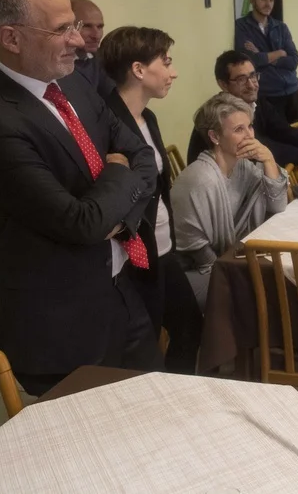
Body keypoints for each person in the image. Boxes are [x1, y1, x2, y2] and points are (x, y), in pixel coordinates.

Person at [0, 0, 161, 396]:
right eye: (62, 29)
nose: (80, 41)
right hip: (61, 324)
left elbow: (141, 156)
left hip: (122, 294)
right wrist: (117, 173)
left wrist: (116, 221)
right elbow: (80, 223)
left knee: (154, 420)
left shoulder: (72, 85)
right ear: (11, 38)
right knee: (90, 452)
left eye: (76, 26)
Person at [97, 26, 204, 374]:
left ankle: (180, 394)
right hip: (135, 254)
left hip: (163, 246)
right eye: (166, 62)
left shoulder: (148, 117)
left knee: (190, 327)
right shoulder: (106, 120)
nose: (172, 72)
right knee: (146, 348)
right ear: (139, 70)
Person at [172, 93, 289, 308]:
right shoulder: (199, 179)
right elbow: (197, 251)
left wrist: (269, 159)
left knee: (283, 278)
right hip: (194, 272)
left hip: (230, 258)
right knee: (266, 289)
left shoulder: (242, 166)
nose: (249, 136)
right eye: (238, 130)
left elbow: (277, 205)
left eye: (250, 127)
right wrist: (236, 268)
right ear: (215, 136)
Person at [186, 50, 298, 175]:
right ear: (223, 84)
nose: (252, 85)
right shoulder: (223, 117)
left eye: (253, 76)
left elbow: (290, 135)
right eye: (242, 79)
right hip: (223, 192)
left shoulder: (257, 103)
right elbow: (277, 149)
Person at [235, 0, 298, 122]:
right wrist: (279, 53)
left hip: (292, 91)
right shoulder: (241, 26)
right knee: (272, 140)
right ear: (252, 0)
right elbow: (252, 61)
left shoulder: (281, 27)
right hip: (266, 94)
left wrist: (264, 55)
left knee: (296, 133)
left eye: (271, 0)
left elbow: (294, 60)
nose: (268, 4)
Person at [70, 0, 116, 96]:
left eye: (100, 27)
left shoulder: (104, 59)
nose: (96, 35)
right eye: (87, 26)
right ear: (67, 27)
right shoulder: (54, 64)